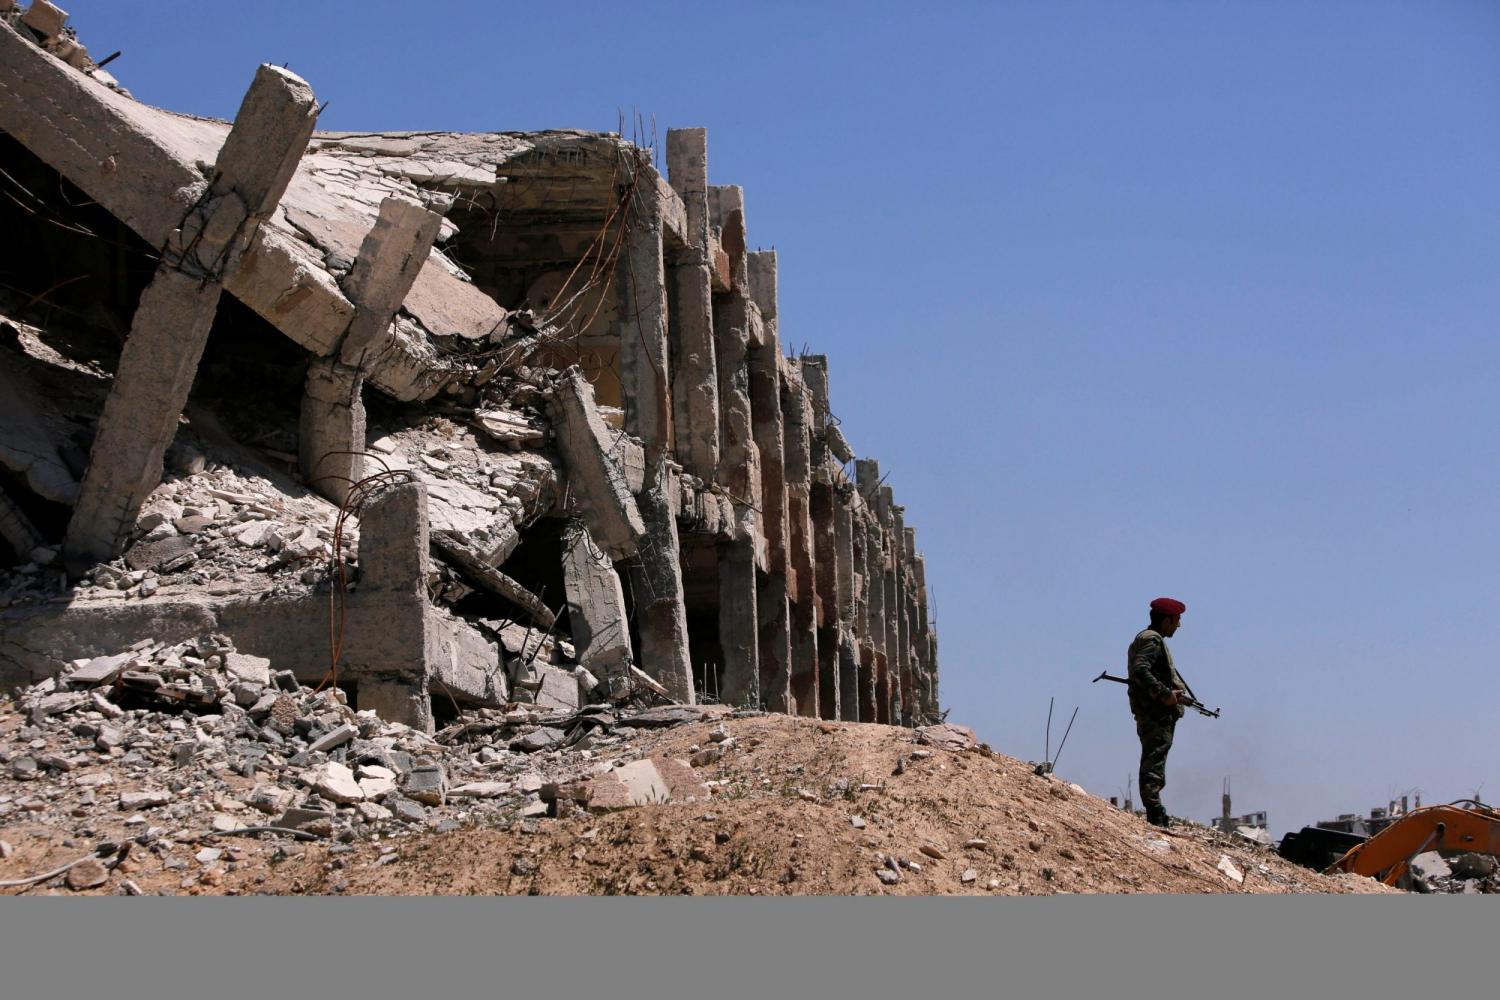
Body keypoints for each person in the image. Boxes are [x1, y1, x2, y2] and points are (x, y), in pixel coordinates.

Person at [1127, 597, 1189, 828]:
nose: (1179, 625)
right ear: (1166, 621)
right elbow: (1141, 670)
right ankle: (1155, 813)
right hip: (1156, 713)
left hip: (1151, 711)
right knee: (1153, 762)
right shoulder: (1151, 640)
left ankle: (1155, 811)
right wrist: (1164, 695)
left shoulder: (1147, 639)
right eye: (1177, 620)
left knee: (1154, 759)